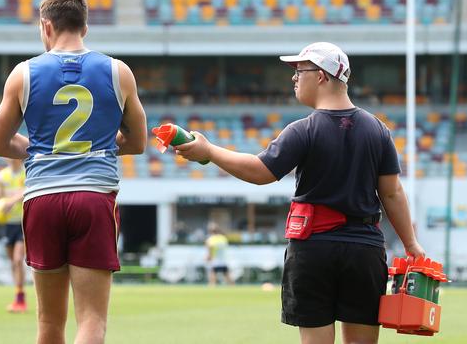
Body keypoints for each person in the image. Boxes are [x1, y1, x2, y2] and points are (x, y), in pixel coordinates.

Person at [175, 42, 425, 344]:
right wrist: (411, 244)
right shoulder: (378, 130)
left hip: (313, 248)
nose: (294, 77)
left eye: (300, 70)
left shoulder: (304, 129)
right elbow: (392, 194)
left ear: (321, 76)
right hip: (364, 251)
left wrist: (209, 150)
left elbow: (260, 171)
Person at [0, 0, 146, 344]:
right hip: (93, 199)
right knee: (91, 320)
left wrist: (42, 151)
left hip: (42, 198)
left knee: (48, 323)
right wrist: (98, 149)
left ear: (46, 26)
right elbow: (137, 141)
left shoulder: (22, 74)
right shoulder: (118, 72)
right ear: (85, 28)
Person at [0, 158, 27, 313]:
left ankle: (20, 299)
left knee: (18, 259)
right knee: (13, 261)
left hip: (24, 221)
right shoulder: (1, 176)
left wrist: (11, 201)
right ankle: (17, 294)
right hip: (8, 224)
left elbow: (27, 191)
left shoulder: (27, 173)